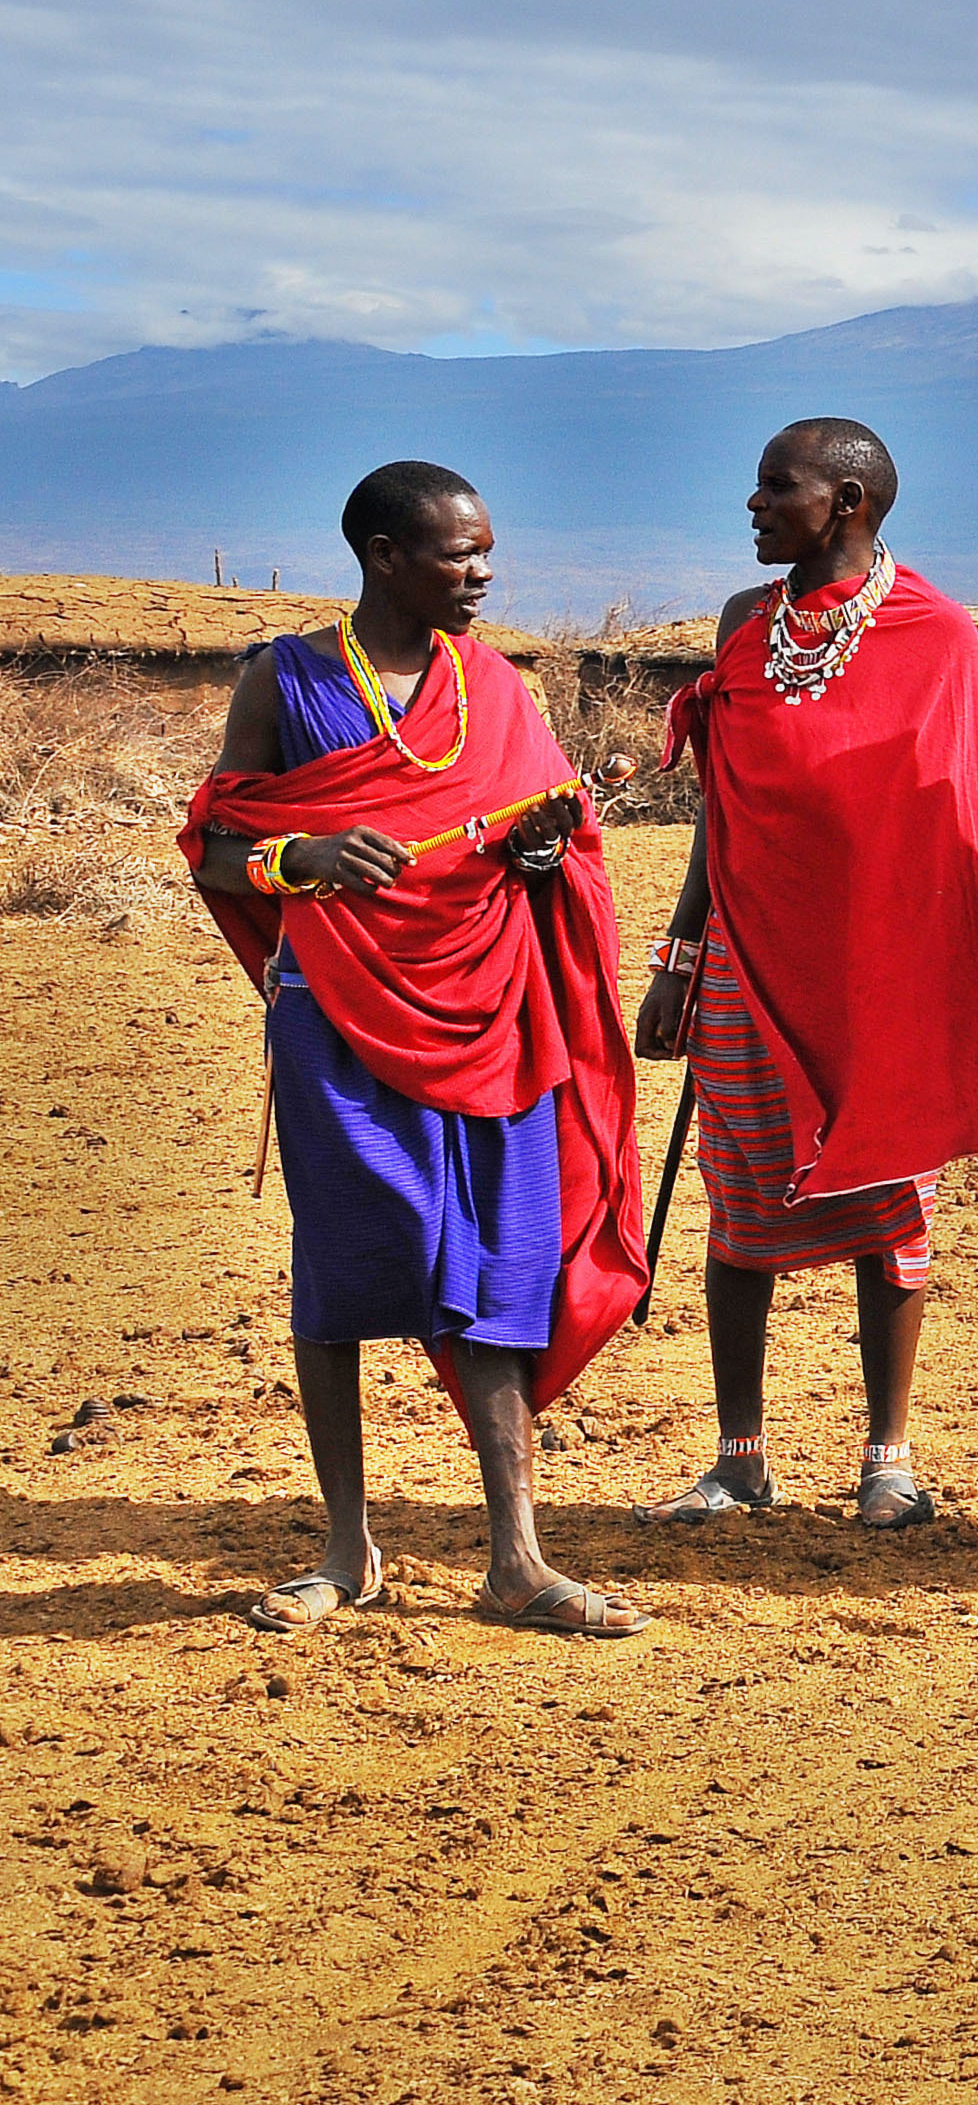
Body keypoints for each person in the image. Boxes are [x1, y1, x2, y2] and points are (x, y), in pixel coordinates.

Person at [184, 464, 652, 1636]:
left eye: (487, 550)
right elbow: (217, 850)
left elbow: (541, 842)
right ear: (385, 556)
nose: (483, 572)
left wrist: (543, 853)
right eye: (459, 553)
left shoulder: (494, 687)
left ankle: (518, 1559)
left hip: (491, 1009)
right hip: (336, 1013)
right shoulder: (286, 680)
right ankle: (346, 1550)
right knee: (345, 1260)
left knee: (495, 1263)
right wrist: (303, 856)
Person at [638, 418, 978, 1532]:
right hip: (747, 957)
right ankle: (740, 1457)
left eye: (775, 486)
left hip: (877, 969)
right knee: (740, 1196)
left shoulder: (935, 631)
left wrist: (929, 980)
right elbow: (724, 802)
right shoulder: (743, 623)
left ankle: (887, 1458)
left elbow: (954, 823)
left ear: (845, 503)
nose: (753, 504)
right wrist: (679, 956)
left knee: (888, 1199)